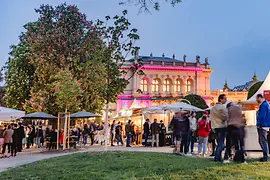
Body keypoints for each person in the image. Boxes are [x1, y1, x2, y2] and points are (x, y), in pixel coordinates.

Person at [210, 94, 228, 162]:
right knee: (221, 143)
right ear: (220, 99)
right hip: (221, 126)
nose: (226, 100)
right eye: (225, 99)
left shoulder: (213, 108)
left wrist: (212, 127)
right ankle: (217, 157)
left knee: (218, 142)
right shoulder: (222, 108)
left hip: (215, 126)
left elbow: (211, 118)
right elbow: (225, 117)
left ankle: (219, 157)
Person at [256, 94, 270, 162]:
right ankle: (266, 155)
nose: (256, 100)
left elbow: (262, 116)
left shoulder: (263, 105)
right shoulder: (266, 104)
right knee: (263, 141)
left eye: (257, 99)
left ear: (260, 97)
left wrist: (258, 124)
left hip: (262, 125)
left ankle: (265, 157)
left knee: (263, 141)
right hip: (266, 125)